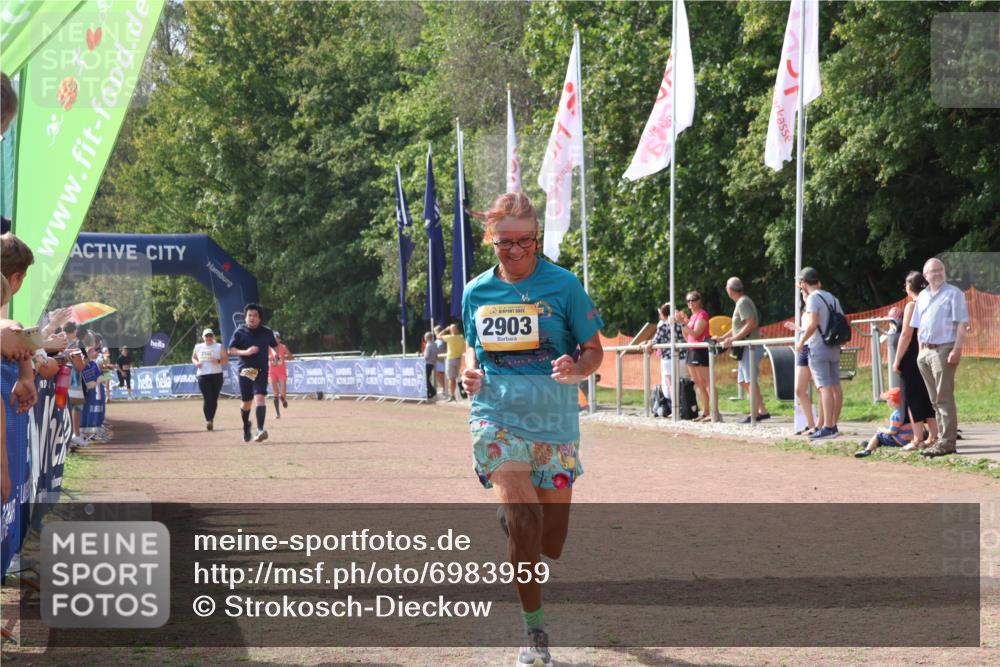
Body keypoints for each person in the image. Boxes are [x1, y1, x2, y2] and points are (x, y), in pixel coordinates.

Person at [461, 192, 604, 667]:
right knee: (525, 522)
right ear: (491, 241)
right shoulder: (476, 291)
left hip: (555, 424)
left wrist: (577, 367)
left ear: (537, 238)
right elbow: (471, 351)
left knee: (550, 543)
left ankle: (516, 519)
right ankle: (535, 634)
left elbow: (593, 349)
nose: (516, 251)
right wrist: (470, 374)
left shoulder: (564, 286)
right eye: (505, 243)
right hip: (496, 417)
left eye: (525, 241)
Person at [909, 258, 969, 457]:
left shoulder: (954, 294)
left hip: (944, 348)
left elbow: (962, 324)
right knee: (934, 399)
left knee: (944, 397)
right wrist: (920, 352)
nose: (937, 273)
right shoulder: (923, 297)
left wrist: (957, 350)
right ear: (925, 276)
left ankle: (947, 441)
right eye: (933, 271)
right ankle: (940, 439)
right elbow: (918, 326)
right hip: (926, 351)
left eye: (940, 270)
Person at [796, 267, 845, 440]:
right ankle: (833, 424)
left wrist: (801, 342)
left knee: (823, 387)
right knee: (834, 386)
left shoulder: (812, 299)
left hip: (818, 346)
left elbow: (812, 324)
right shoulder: (832, 298)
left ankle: (828, 427)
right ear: (818, 281)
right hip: (834, 346)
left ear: (802, 283)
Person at [892, 271, 939, 451]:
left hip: (911, 356)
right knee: (926, 396)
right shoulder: (930, 302)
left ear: (910, 287)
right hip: (925, 353)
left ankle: (918, 437)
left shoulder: (912, 305)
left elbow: (906, 334)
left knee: (912, 397)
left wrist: (897, 360)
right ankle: (933, 434)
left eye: (906, 285)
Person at [717, 277, 769, 423]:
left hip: (749, 347)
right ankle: (761, 410)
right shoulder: (741, 302)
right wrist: (722, 338)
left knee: (749, 380)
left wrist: (733, 340)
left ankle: (757, 413)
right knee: (744, 381)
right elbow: (738, 327)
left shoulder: (743, 302)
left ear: (730, 290)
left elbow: (750, 323)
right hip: (745, 347)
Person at [227, 303, 278, 443]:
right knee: (246, 403)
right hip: (246, 370)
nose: (252, 318)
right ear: (245, 317)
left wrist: (275, 355)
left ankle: (260, 430)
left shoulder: (267, 332)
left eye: (255, 315)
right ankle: (245, 426)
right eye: (249, 315)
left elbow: (274, 345)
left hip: (261, 370)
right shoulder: (239, 332)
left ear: (260, 318)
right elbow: (230, 350)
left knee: (260, 398)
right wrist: (246, 352)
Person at [783, 286, 824, 436]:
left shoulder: (816, 304)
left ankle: (820, 425)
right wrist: (798, 329)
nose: (801, 295)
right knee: (799, 389)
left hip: (814, 347)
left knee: (821, 388)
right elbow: (808, 328)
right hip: (804, 347)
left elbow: (815, 327)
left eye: (802, 292)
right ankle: (810, 423)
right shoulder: (806, 309)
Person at [677, 291, 718, 422]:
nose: (690, 303)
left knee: (707, 383)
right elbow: (687, 337)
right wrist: (683, 323)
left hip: (700, 351)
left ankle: (715, 412)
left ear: (699, 300)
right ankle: (705, 412)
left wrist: (684, 324)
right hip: (691, 350)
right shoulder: (692, 316)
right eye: (688, 301)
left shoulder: (702, 314)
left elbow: (696, 334)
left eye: (693, 300)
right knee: (699, 384)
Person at [643, 303, 686, 405]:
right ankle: (685, 406)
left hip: (668, 358)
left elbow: (656, 340)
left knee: (671, 384)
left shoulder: (663, 325)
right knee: (683, 383)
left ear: (663, 313)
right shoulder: (681, 324)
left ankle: (675, 407)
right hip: (683, 357)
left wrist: (647, 343)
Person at [854, 387, 913, 457]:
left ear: (893, 402)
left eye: (888, 399)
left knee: (878, 435)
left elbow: (893, 432)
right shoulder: (909, 412)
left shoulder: (895, 415)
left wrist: (883, 430)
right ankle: (872, 443)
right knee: (884, 437)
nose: (887, 401)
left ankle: (868, 450)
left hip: (900, 441)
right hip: (911, 440)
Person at [192, 328, 229, 431]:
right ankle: (208, 420)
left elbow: (226, 360)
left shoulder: (219, 346)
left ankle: (211, 419)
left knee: (214, 399)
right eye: (206, 336)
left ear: (213, 336)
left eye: (210, 335)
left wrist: (217, 361)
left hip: (216, 375)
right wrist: (196, 363)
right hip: (203, 375)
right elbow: (193, 358)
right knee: (207, 398)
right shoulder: (198, 347)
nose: (208, 338)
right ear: (203, 337)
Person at [268, 330, 293, 418]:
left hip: (281, 372)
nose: (275, 340)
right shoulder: (268, 348)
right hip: (272, 372)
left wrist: (285, 356)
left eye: (276, 338)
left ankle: (283, 399)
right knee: (275, 394)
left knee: (282, 393)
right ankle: (277, 414)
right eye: (273, 339)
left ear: (279, 339)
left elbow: (291, 357)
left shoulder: (283, 347)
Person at [441, 323, 467, 402]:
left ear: (451, 330)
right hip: (459, 359)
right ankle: (460, 388)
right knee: (457, 378)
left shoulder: (449, 337)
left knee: (451, 379)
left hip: (451, 360)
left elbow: (438, 336)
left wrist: (446, 329)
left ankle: (452, 396)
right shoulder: (461, 337)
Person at [421, 332, 438, 399]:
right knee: (427, 378)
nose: (424, 339)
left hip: (427, 363)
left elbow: (426, 356)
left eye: (425, 337)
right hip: (432, 363)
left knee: (425, 378)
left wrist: (423, 356)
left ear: (427, 338)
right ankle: (430, 392)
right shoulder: (435, 344)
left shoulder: (428, 345)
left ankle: (432, 391)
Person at [433, 325, 447, 393]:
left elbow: (441, 349)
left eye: (435, 332)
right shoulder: (436, 340)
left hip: (443, 360)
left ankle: (445, 388)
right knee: (438, 374)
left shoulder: (443, 339)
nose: (434, 333)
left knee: (443, 374)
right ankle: (444, 388)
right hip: (438, 360)